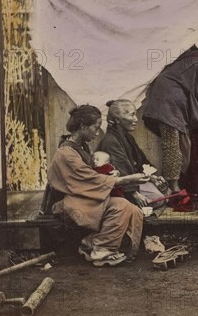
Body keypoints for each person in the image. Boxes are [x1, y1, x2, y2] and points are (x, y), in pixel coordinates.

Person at [48, 105, 145, 267]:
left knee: (134, 210)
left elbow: (91, 176)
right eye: (95, 127)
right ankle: (101, 248)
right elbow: (88, 179)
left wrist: (110, 175)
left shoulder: (81, 147)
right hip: (68, 202)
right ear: (83, 127)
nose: (97, 132)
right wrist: (126, 180)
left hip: (83, 197)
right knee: (121, 206)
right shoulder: (66, 153)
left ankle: (93, 244)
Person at [142, 35, 198, 192]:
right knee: (173, 146)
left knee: (180, 145)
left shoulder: (184, 61)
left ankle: (176, 183)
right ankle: (174, 188)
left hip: (164, 102)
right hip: (169, 105)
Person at [98, 100, 168, 209]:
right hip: (120, 188)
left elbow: (141, 162)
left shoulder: (127, 137)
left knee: (166, 193)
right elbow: (122, 172)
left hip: (132, 182)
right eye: (132, 115)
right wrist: (134, 194)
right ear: (117, 119)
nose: (136, 119)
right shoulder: (111, 141)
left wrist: (152, 177)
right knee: (157, 200)